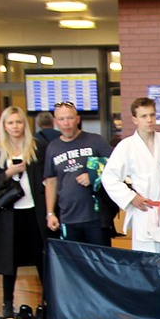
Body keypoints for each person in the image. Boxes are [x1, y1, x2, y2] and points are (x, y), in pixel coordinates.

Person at [0, 105, 50, 319]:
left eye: (19, 122)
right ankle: (7, 303)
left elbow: (48, 177)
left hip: (34, 209)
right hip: (10, 212)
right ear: (4, 126)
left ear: (24, 124)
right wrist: (9, 172)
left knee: (41, 257)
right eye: (10, 123)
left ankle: (47, 302)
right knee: (9, 260)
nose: (15, 126)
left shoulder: (37, 147)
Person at [103, 97, 160, 253]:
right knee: (147, 262)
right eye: (144, 116)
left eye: (152, 115)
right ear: (135, 119)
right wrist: (131, 197)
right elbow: (109, 177)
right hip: (144, 211)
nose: (149, 120)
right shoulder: (126, 146)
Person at [42, 101, 113, 247]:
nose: (66, 123)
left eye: (70, 118)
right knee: (72, 260)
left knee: (100, 259)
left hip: (95, 217)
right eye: (61, 119)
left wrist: (93, 176)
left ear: (77, 119)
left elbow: (116, 166)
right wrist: (50, 213)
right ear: (55, 122)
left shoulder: (95, 140)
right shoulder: (53, 147)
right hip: (68, 217)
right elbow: (51, 182)